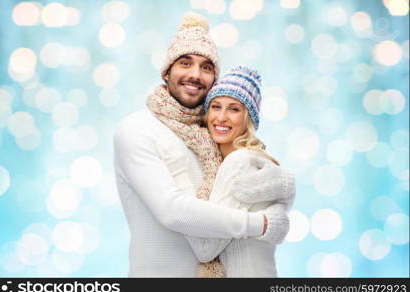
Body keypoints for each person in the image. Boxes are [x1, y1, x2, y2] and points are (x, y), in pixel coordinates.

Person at [113, 12, 294, 277]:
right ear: (167, 71)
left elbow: (247, 186)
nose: (195, 75)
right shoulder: (137, 129)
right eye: (185, 63)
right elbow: (171, 210)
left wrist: (284, 187)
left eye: (206, 67)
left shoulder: (213, 134)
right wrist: (263, 224)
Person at [162, 66, 295, 277]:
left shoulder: (239, 162)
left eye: (234, 109)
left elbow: (205, 249)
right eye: (215, 107)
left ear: (248, 119)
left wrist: (179, 175)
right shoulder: (255, 162)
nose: (221, 117)